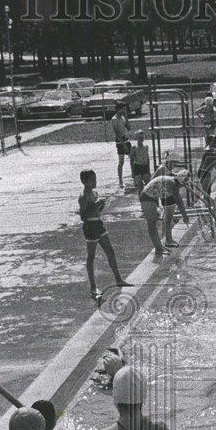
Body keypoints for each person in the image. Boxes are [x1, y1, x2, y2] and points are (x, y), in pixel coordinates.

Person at [78, 169, 132, 298]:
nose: (94, 182)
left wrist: (100, 205)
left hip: (99, 223)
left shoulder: (95, 193)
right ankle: (93, 287)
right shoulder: (83, 196)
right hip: (90, 226)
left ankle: (118, 279)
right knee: (91, 256)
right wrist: (95, 205)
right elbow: (83, 216)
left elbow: (98, 211)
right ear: (84, 182)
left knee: (110, 251)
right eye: (92, 180)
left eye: (95, 179)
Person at [112, 104, 132, 189]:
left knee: (132, 158)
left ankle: (134, 177)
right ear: (118, 109)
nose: (124, 110)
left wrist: (126, 117)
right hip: (120, 142)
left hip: (126, 139)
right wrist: (124, 145)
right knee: (121, 161)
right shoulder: (114, 119)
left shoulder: (123, 117)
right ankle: (120, 181)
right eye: (123, 109)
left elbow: (129, 128)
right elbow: (117, 134)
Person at [129, 130, 151, 194]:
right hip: (137, 168)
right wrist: (132, 172)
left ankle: (149, 201)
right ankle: (141, 201)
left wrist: (149, 170)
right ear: (136, 138)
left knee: (148, 185)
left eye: (142, 137)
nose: (141, 139)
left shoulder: (146, 147)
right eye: (140, 137)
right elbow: (131, 160)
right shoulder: (134, 148)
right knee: (140, 187)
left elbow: (148, 159)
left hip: (145, 167)